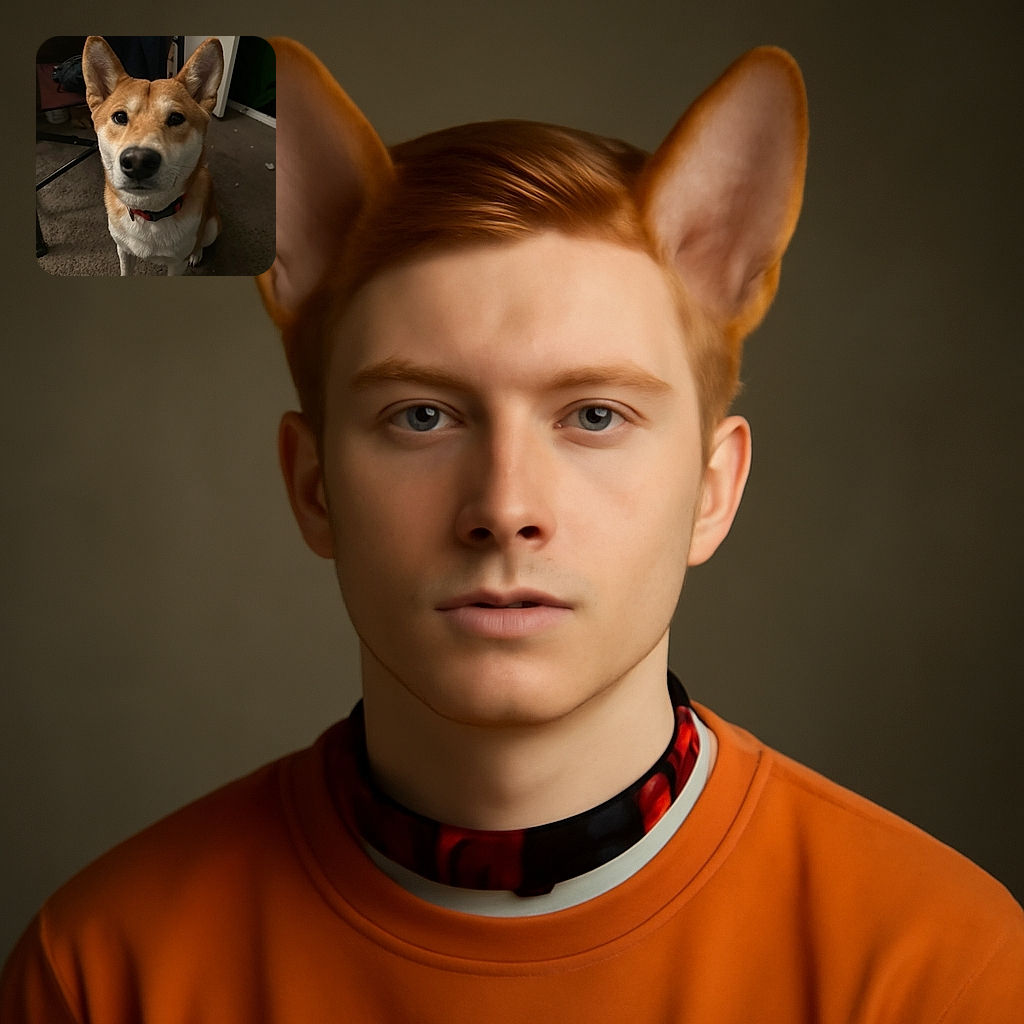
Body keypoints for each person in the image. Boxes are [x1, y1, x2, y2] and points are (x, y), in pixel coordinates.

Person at [3, 37, 1022, 1023]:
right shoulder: (103, 974)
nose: (503, 506)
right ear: (312, 487)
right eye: (421, 415)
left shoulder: (943, 968)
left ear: (713, 490)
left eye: (593, 415)